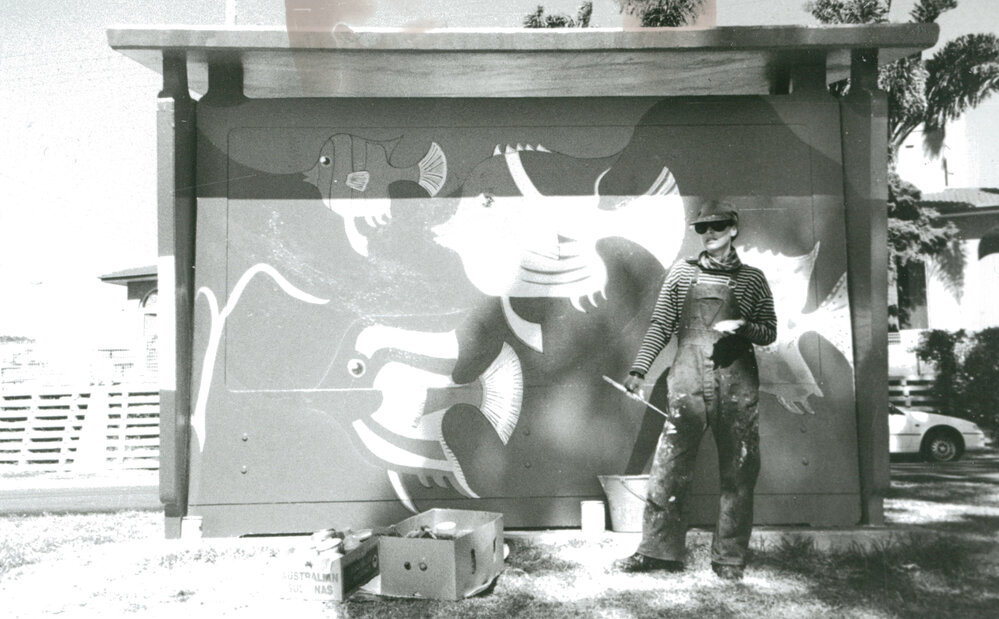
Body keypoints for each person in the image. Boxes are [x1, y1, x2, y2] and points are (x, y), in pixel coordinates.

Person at [613, 200, 777, 580]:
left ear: (733, 228)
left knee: (739, 468)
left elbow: (769, 331)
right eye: (703, 228)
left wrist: (745, 328)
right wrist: (638, 370)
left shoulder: (753, 279)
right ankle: (658, 553)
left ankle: (729, 559)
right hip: (688, 382)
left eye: (718, 226)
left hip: (736, 385)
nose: (710, 233)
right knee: (669, 466)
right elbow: (660, 324)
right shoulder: (681, 274)